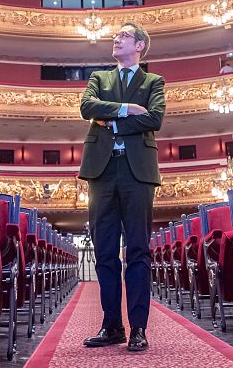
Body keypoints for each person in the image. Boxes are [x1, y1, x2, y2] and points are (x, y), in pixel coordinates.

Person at [79, 22, 165, 352]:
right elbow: (87, 108)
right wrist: (127, 110)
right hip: (102, 172)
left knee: (138, 251)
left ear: (140, 46)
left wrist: (108, 119)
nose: (116, 39)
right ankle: (111, 324)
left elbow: (154, 119)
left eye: (124, 36)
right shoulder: (99, 78)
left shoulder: (153, 81)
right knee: (104, 251)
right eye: (116, 37)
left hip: (137, 172)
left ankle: (139, 328)